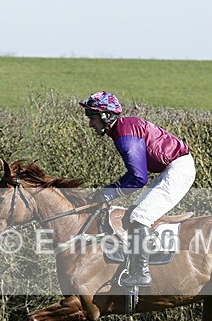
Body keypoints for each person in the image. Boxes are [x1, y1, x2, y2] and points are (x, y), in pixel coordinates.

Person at [80, 91, 196, 287]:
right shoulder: (122, 129)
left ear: (106, 116)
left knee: (139, 217)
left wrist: (108, 192)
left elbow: (138, 177)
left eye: (92, 118)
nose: (90, 124)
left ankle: (141, 273)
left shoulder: (125, 136)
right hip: (172, 167)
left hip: (178, 169)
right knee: (132, 215)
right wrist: (108, 191)